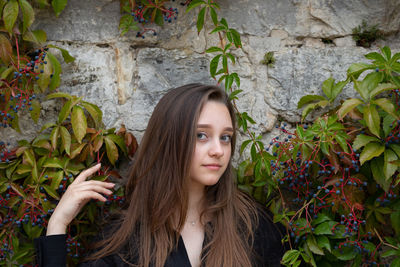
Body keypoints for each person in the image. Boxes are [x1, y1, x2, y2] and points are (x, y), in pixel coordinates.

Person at [34, 83, 285, 267]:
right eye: (201, 135)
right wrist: (57, 226)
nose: (219, 150)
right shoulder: (127, 239)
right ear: (170, 140)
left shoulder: (252, 225)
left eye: (226, 137)